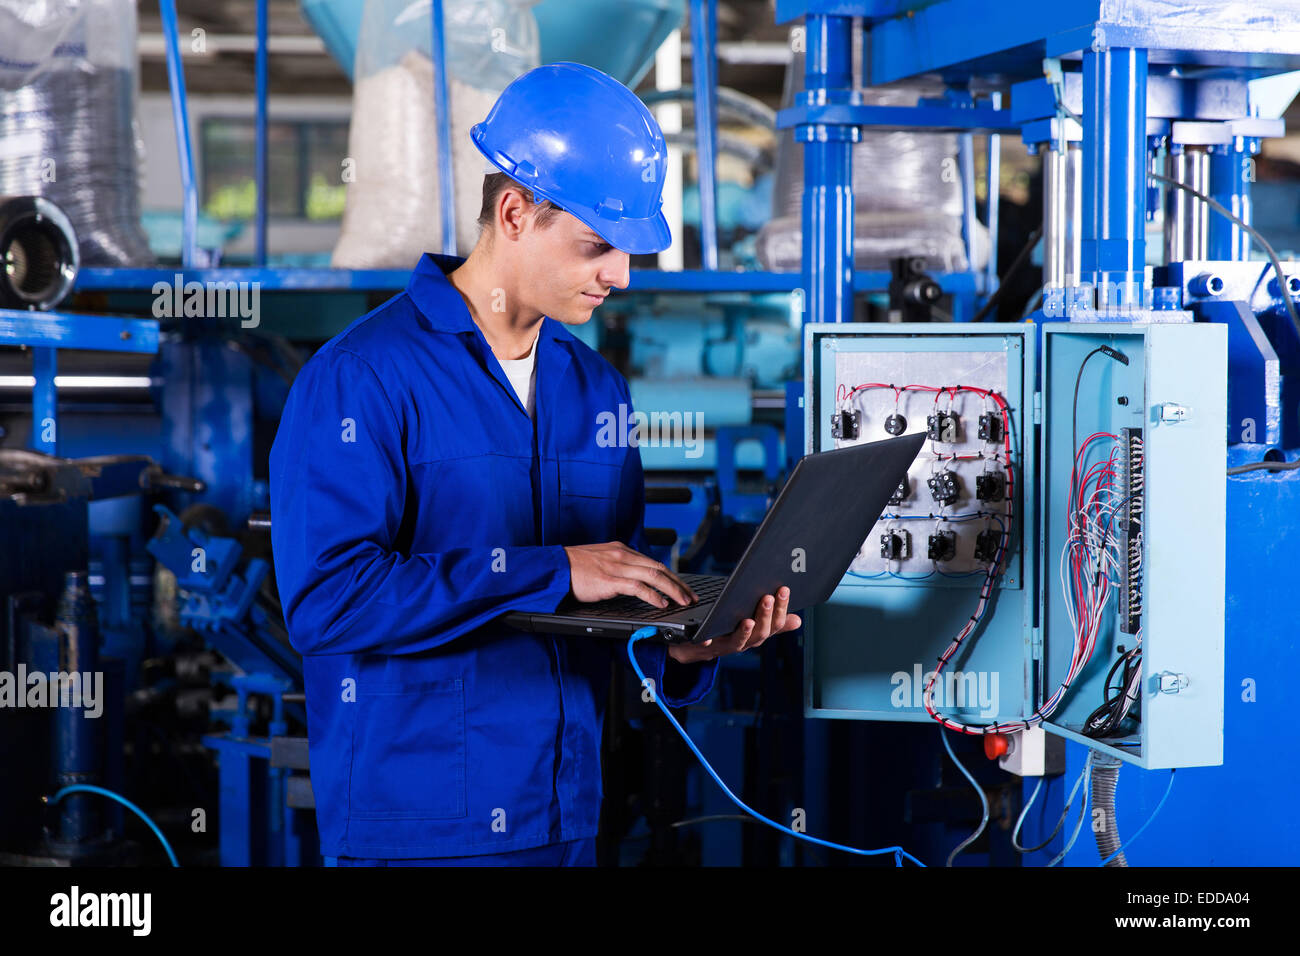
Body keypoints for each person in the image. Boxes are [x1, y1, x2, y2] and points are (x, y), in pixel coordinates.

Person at [269, 62, 800, 867]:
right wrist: (549, 569)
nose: (619, 276)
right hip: (419, 831)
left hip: (568, 815)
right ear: (514, 212)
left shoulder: (594, 389)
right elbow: (327, 602)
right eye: (597, 246)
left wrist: (677, 647)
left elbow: (605, 598)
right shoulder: (361, 377)